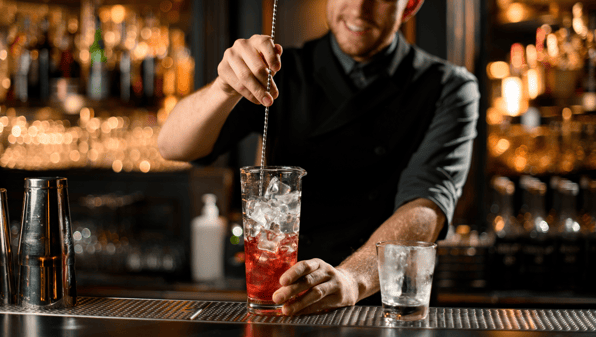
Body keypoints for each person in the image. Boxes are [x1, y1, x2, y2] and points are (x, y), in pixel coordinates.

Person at [158, 0, 479, 316]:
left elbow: (426, 205)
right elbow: (173, 146)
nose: (358, 9)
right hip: (289, 301)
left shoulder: (448, 87)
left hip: (387, 308)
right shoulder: (280, 70)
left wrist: (351, 280)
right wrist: (223, 87)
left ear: (409, 6)